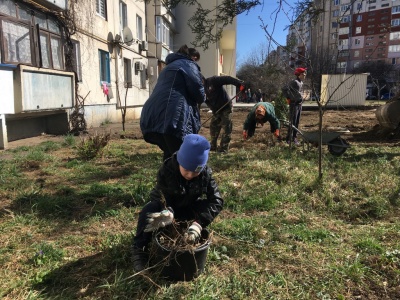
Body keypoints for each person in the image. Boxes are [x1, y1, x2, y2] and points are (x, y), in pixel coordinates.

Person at [132, 134, 224, 273]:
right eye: (186, 169)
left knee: (206, 204)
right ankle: (139, 249)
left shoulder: (205, 174)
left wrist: (199, 223)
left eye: (195, 171)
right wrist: (166, 210)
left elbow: (216, 200)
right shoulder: (167, 169)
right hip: (170, 211)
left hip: (189, 210)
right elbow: (158, 195)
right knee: (149, 209)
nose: (190, 175)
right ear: (180, 161)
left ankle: (191, 227)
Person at [140, 45, 205, 161]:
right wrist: (204, 96)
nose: (196, 61)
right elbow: (198, 91)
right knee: (182, 158)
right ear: (193, 57)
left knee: (170, 155)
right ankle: (181, 178)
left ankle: (166, 177)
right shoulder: (189, 64)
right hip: (171, 115)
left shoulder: (167, 67)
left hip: (152, 113)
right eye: (196, 58)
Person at [203, 75, 245, 153]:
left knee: (226, 128)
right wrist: (213, 109)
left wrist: (239, 84)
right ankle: (213, 146)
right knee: (213, 126)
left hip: (226, 106)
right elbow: (206, 101)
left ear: (202, 79)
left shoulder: (213, 81)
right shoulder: (201, 89)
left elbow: (227, 79)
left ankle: (223, 148)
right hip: (216, 109)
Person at [285, 67, 307, 145]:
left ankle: (294, 137)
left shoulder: (301, 83)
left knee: (297, 122)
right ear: (299, 74)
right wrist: (288, 99)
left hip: (299, 104)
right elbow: (285, 89)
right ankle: (288, 138)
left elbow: (299, 93)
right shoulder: (294, 82)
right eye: (303, 73)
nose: (305, 74)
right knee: (292, 122)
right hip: (294, 104)